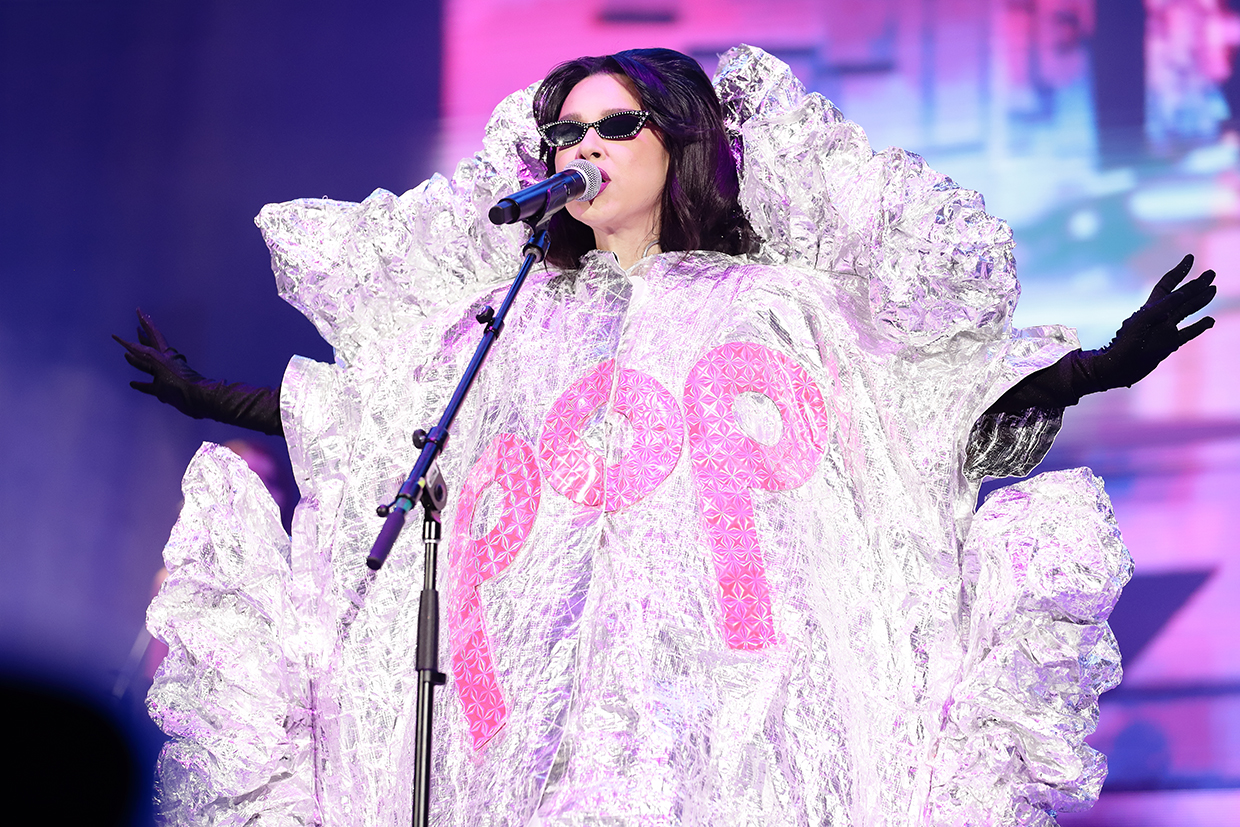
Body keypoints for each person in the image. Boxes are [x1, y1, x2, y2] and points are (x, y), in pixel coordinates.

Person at [122, 47, 1215, 826]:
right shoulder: (520, 316)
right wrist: (213, 395)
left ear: (679, 142)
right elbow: (392, 420)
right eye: (566, 132)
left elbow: (920, 402)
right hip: (553, 730)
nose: (584, 147)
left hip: (742, 717)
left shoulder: (776, 302)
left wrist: (1101, 366)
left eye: (614, 127)